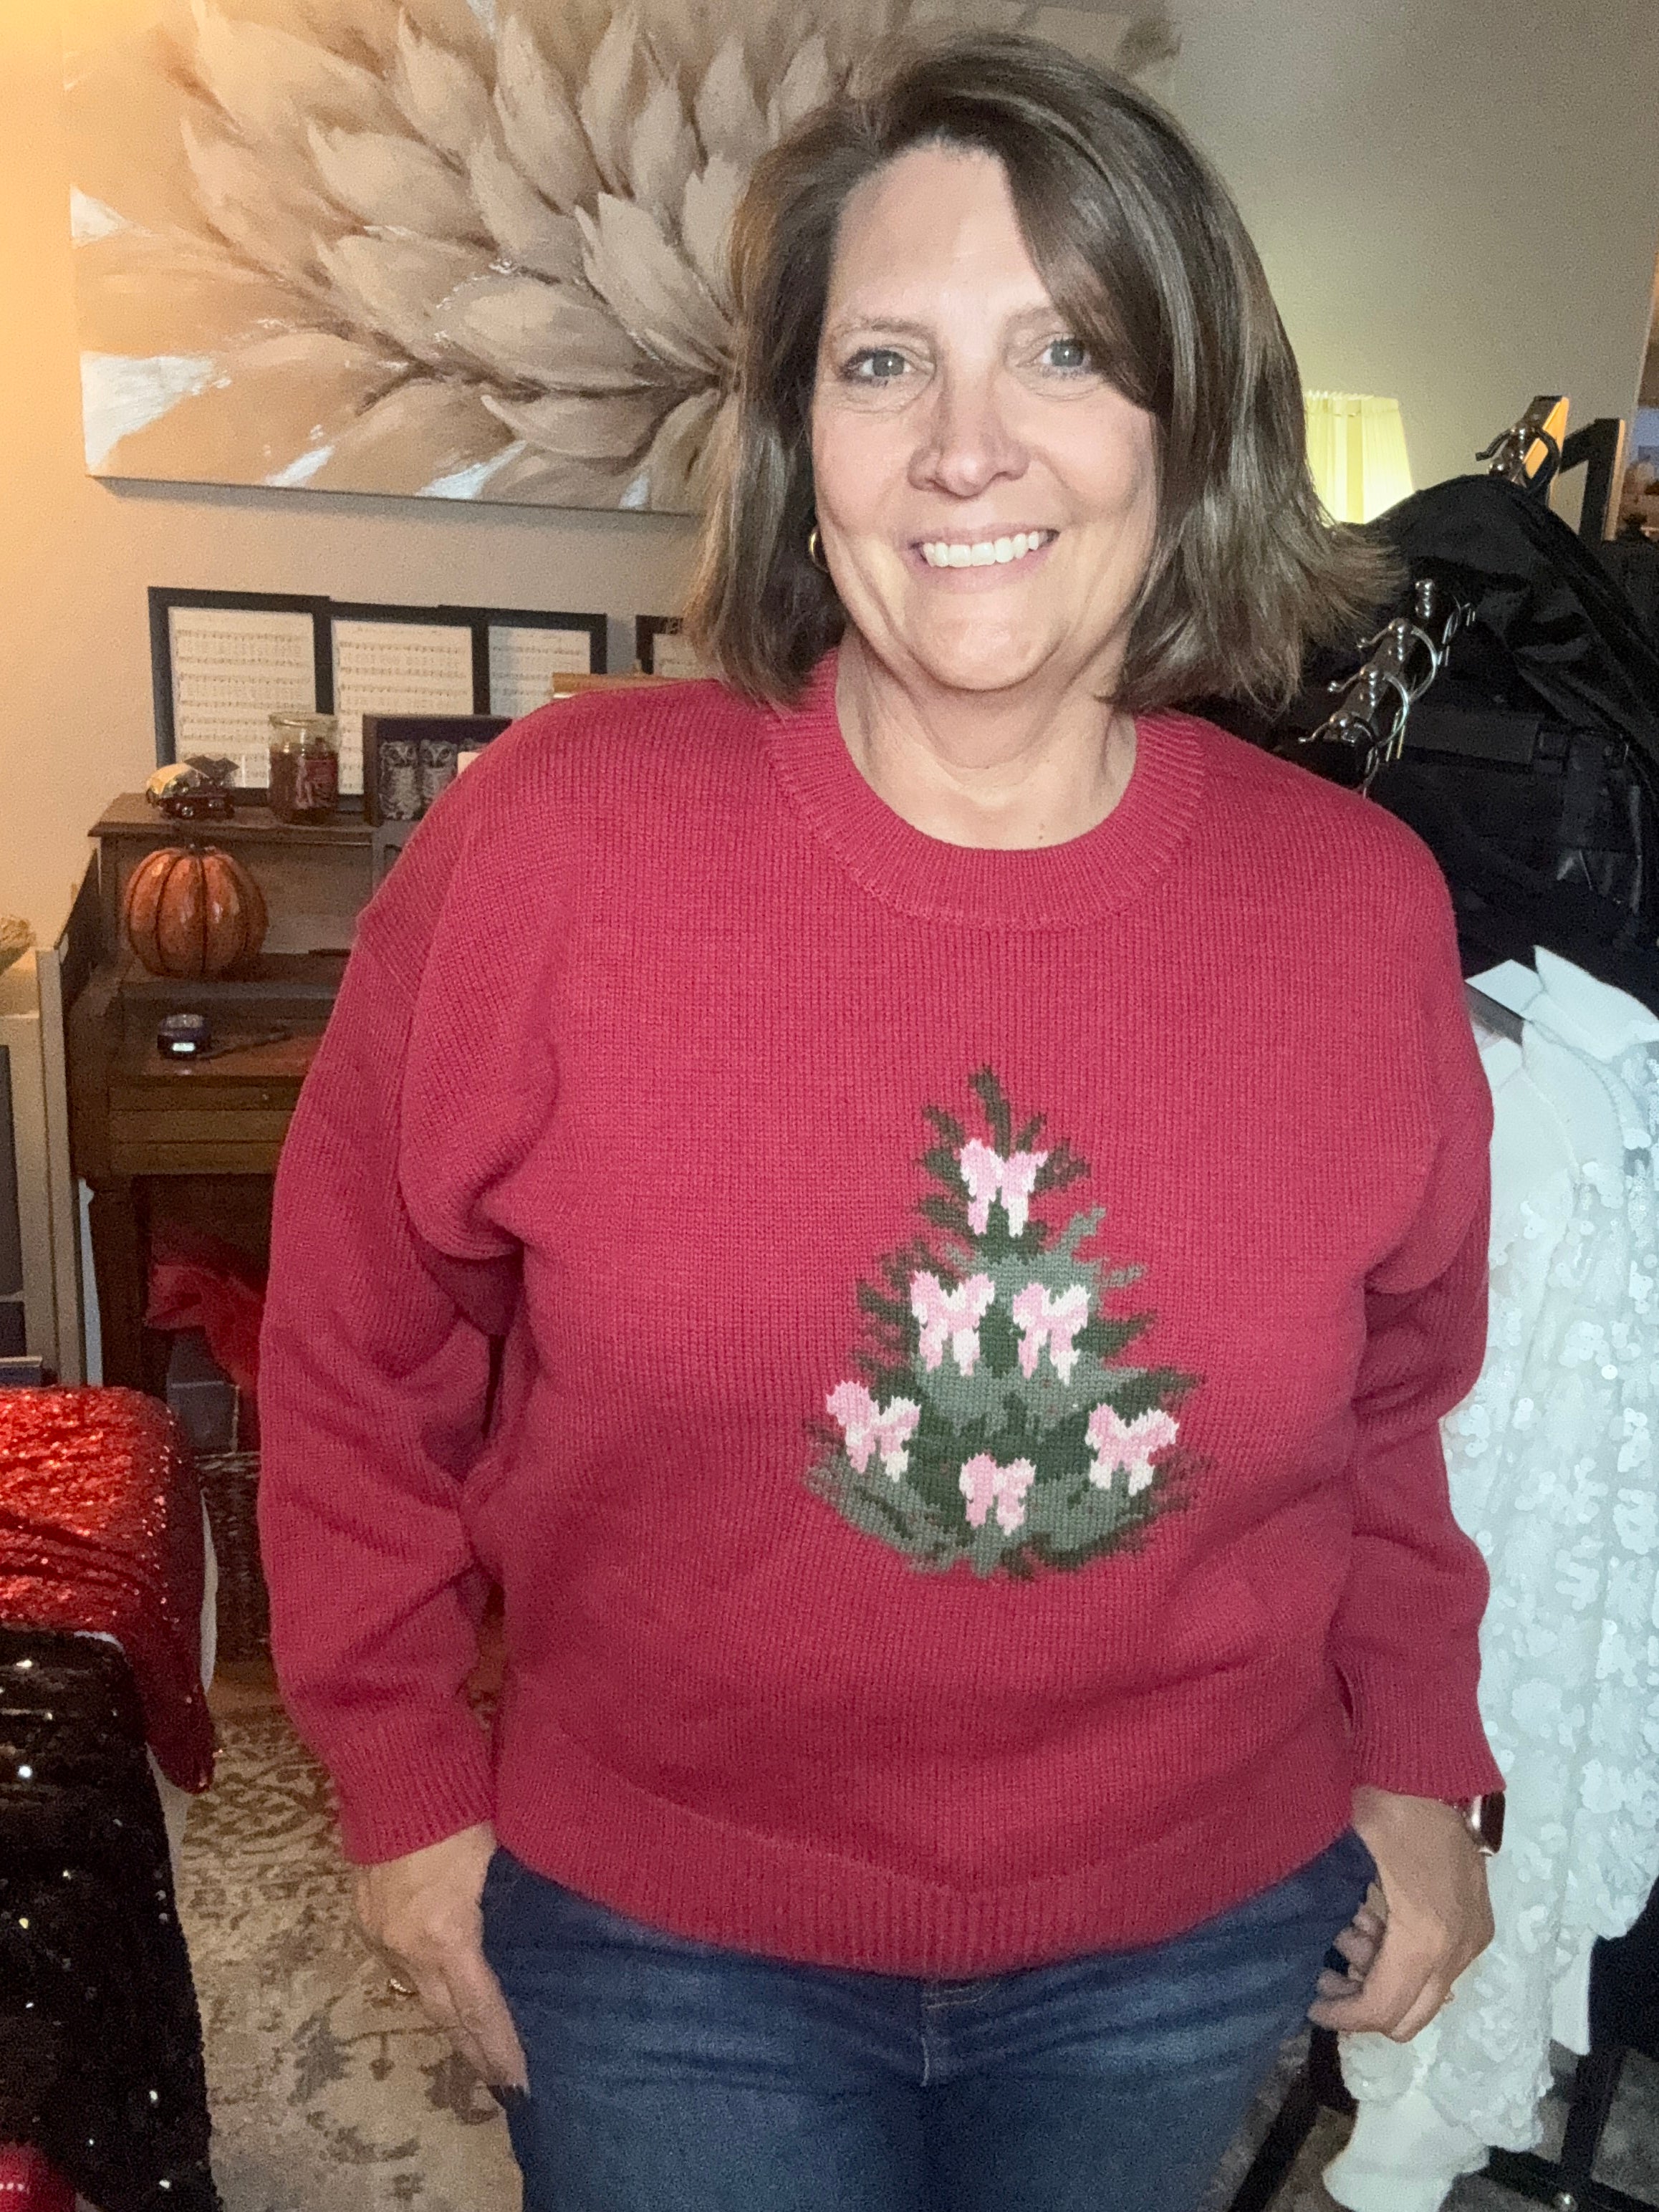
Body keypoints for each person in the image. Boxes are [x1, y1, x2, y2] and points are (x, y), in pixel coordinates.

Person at [259, 33, 1501, 2212]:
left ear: (1188, 420)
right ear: (791, 434)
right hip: (655, 1941)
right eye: (881, 363)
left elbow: (1393, 1408)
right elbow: (357, 1352)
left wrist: (1411, 1762)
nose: (964, 449)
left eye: (1062, 351)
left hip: (1185, 1936)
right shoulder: (557, 845)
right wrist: (395, 1782)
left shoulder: (1354, 907)